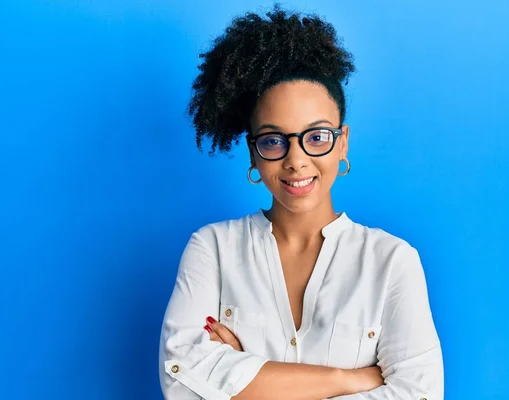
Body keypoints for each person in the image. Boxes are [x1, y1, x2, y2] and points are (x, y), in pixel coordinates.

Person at [159, 5, 443, 399]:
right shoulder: (212, 249)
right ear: (253, 153)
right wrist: (346, 379)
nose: (296, 160)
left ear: (341, 143)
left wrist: (249, 383)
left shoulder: (392, 261)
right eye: (274, 140)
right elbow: (180, 382)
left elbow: (419, 394)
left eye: (316, 136)